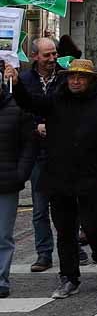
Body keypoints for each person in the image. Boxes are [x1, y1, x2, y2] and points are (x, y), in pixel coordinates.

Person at [8, 59, 97, 299]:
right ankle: (69, 277)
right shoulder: (56, 101)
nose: (75, 81)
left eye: (81, 77)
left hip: (91, 175)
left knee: (94, 227)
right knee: (65, 231)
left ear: (90, 80)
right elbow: (29, 103)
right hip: (59, 175)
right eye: (71, 77)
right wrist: (16, 83)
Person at [19, 38, 61, 274]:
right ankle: (44, 253)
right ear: (35, 56)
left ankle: (75, 248)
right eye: (47, 55)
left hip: (62, 150)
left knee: (67, 205)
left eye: (54, 54)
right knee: (39, 207)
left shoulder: (64, 78)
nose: (52, 59)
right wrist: (35, 127)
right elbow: (19, 112)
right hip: (37, 151)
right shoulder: (24, 81)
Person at [0, 71, 38, 299]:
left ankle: (1, 278)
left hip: (6, 182)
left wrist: (20, 173)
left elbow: (29, 144)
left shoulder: (16, 108)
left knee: (3, 235)